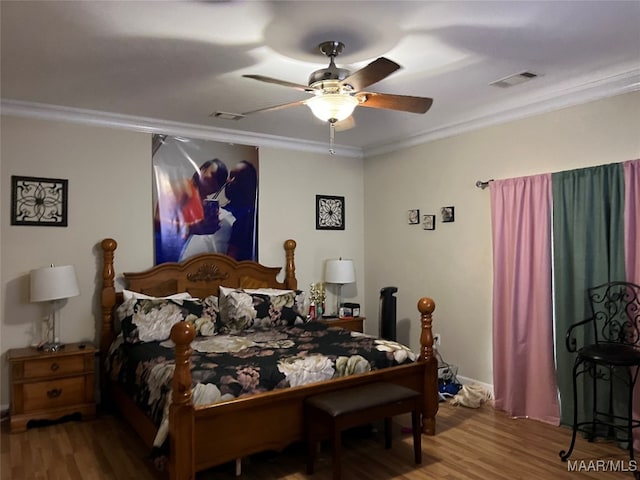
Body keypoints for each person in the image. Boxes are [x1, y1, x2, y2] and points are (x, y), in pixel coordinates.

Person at [155, 159, 230, 263]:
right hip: (164, 248)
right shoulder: (183, 186)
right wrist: (192, 227)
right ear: (202, 170)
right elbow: (158, 221)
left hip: (180, 251)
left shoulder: (202, 199)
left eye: (219, 181)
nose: (215, 182)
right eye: (213, 175)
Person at [224, 160, 258, 261]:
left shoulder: (249, 214)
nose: (231, 181)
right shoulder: (223, 209)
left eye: (239, 178)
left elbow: (232, 255)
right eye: (231, 176)